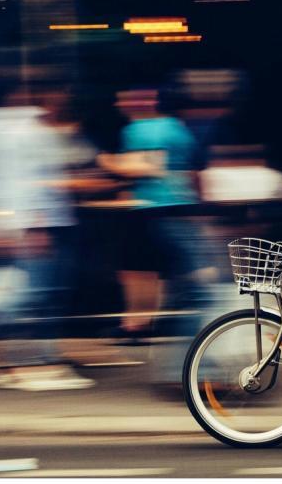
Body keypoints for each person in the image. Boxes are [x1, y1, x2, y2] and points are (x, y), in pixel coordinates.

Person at [0, 84, 94, 391]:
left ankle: (38, 357)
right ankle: (16, 361)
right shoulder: (6, 128)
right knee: (30, 294)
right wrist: (29, 223)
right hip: (30, 223)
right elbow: (9, 180)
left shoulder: (3, 126)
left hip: (42, 221)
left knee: (44, 293)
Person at [97, 86, 212, 392]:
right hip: (178, 209)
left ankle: (182, 364)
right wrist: (199, 208)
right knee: (184, 285)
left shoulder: (140, 130)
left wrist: (105, 161)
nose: (120, 103)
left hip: (154, 212)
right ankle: (179, 361)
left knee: (193, 289)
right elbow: (193, 173)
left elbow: (147, 166)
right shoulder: (178, 128)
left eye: (126, 97)